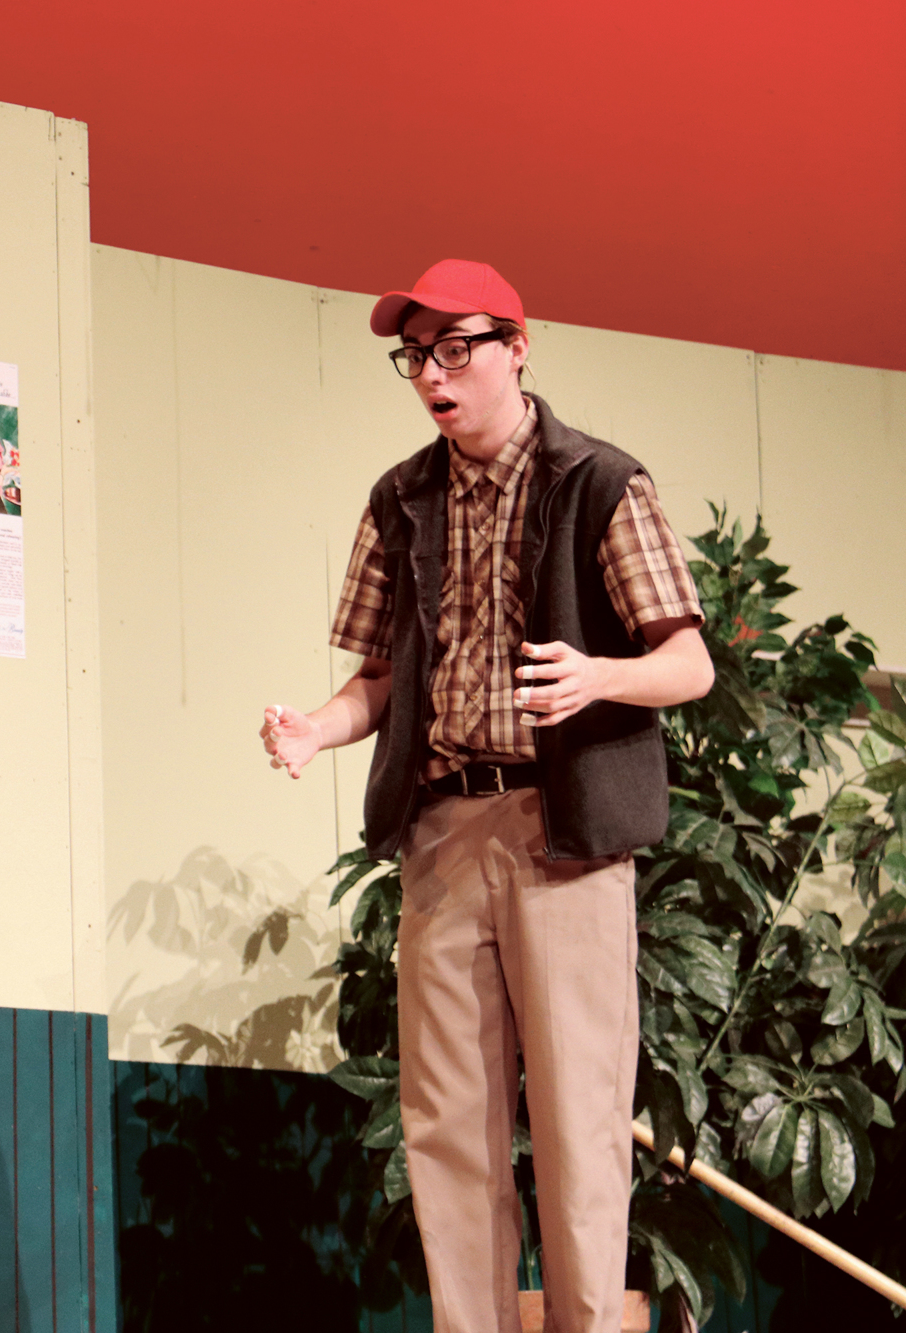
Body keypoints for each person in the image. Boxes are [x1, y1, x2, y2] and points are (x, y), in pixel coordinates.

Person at [260, 260, 713, 1333]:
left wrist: (598, 676)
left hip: (564, 835)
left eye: (455, 348)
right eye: (415, 355)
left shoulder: (598, 481)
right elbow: (380, 677)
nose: (433, 373)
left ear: (517, 347)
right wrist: (316, 728)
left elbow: (688, 663)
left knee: (576, 1121)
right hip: (440, 832)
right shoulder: (400, 497)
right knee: (447, 1125)